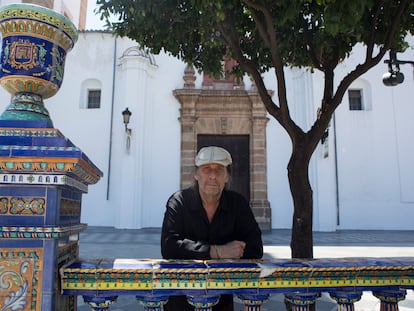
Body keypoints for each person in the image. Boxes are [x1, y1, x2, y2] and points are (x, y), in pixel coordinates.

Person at [161, 146, 263, 311]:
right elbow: (169, 246)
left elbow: (255, 247)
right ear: (196, 174)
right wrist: (217, 252)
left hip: (221, 299)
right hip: (180, 298)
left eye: (219, 170)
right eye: (206, 169)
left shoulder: (237, 204)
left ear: (227, 176)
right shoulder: (179, 202)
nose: (213, 176)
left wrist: (192, 251)